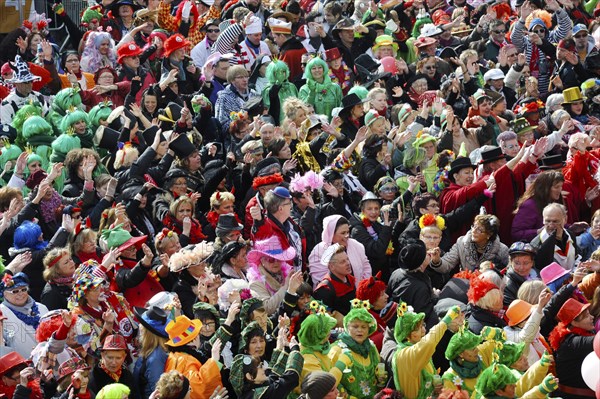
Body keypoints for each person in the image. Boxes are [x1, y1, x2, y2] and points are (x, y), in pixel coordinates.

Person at [391, 302, 464, 399]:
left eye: (423, 325)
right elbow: (429, 342)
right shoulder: (404, 355)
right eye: (419, 328)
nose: (424, 331)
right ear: (407, 335)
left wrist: (435, 391)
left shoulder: (418, 349)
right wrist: (446, 320)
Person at [329, 300, 383, 398]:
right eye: (355, 326)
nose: (360, 330)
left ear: (369, 329)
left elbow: (379, 372)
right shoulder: (336, 350)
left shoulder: (371, 348)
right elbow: (329, 382)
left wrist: (381, 379)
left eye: (364, 327)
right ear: (347, 327)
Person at [163, 315, 223, 399]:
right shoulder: (186, 360)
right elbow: (196, 388)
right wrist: (214, 361)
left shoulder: (174, 355)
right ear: (194, 339)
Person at [309, 215, 371, 289]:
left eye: (348, 232)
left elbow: (366, 268)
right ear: (331, 234)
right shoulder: (319, 251)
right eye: (343, 233)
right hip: (332, 295)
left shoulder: (356, 245)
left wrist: (362, 288)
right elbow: (320, 278)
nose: (347, 236)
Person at [0, 273, 50, 358]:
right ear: (4, 294)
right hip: (22, 367)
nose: (20, 294)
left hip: (51, 361)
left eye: (24, 289)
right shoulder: (2, 313)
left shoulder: (41, 308)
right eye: (15, 291)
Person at [133, 306, 170, 399]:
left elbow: (158, 392)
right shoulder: (150, 351)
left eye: (142, 324)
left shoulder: (156, 358)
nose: (139, 327)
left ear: (147, 333)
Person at [312, 244, 356, 319]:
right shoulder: (325, 289)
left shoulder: (349, 279)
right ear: (331, 266)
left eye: (347, 259)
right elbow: (324, 319)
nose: (348, 263)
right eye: (342, 262)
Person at [503, 242, 539, 307]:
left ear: (532, 263)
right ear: (511, 262)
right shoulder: (507, 285)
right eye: (517, 263)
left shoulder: (539, 275)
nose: (521, 267)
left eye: (526, 263)